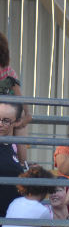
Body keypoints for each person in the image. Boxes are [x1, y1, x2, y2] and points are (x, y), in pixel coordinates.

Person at [0, 31, 32, 164]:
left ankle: (22, 164)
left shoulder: (6, 70)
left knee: (19, 118)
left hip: (4, 115)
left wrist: (28, 114)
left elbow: (19, 97)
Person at [0, 101, 25, 218]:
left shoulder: (9, 146)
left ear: (17, 122)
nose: (0, 124)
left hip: (9, 217)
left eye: (6, 121)